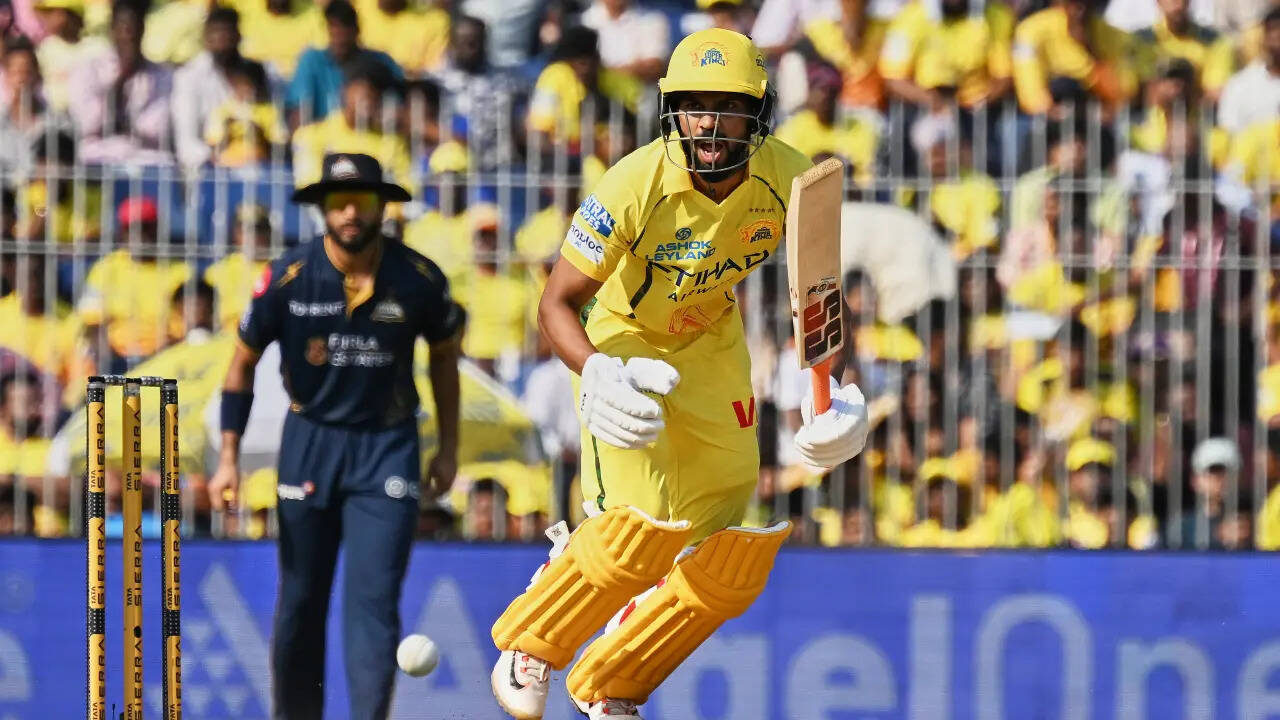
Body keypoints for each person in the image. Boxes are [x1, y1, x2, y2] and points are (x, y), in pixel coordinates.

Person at [489, 29, 869, 720]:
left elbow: (820, 302)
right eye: (695, 106)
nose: (710, 125)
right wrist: (596, 372)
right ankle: (532, 639)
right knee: (635, 528)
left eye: (728, 107)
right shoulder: (633, 183)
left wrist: (831, 395)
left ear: (758, 113)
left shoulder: (794, 179)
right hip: (621, 340)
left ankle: (613, 679)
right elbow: (555, 303)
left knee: (723, 525)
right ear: (674, 110)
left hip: (709, 336)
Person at [207, 152, 464, 720]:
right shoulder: (288, 277)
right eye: (339, 202)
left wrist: (448, 448)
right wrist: (227, 458)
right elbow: (240, 365)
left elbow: (446, 359)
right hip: (311, 440)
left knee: (374, 603)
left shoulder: (418, 278)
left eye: (362, 201)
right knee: (301, 598)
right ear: (322, 208)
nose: (351, 213)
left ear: (382, 207)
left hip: (388, 446)